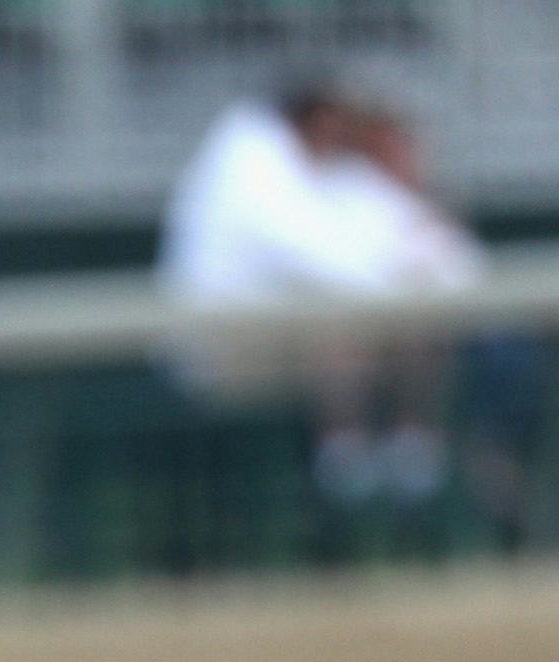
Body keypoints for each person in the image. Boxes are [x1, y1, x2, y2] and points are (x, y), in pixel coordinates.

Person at [161, 79, 483, 505]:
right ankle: (345, 462)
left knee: (414, 326)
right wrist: (396, 282)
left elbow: (459, 269)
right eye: (334, 123)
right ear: (311, 118)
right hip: (222, 354)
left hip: (309, 341)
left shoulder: (348, 180)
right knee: (340, 322)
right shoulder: (253, 156)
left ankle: (410, 455)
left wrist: (417, 244)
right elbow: (307, 255)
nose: (341, 135)